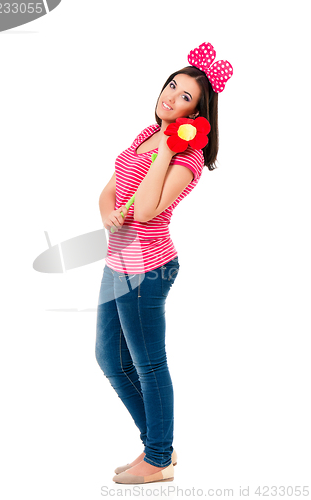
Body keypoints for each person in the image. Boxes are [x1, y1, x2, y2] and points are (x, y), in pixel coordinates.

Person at [95, 42, 233, 485]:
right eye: (172, 86)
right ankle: (159, 448)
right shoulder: (144, 133)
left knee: (149, 364)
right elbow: (110, 190)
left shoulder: (187, 156)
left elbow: (150, 209)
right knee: (110, 359)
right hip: (117, 262)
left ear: (198, 114)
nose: (171, 96)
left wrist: (170, 151)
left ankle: (157, 459)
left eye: (185, 96)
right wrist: (107, 216)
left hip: (148, 269)